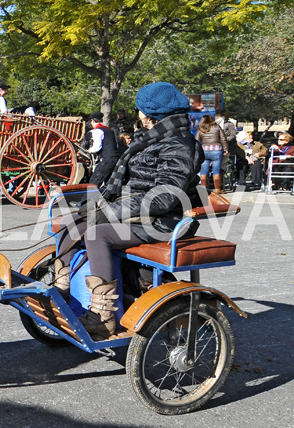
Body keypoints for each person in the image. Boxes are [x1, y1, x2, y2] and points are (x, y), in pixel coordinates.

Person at [52, 81, 204, 338]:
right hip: (141, 215)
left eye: (139, 109)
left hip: (164, 222)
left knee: (96, 233)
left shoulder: (180, 145)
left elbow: (162, 199)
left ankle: (103, 315)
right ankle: (61, 290)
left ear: (148, 114)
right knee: (75, 220)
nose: (137, 114)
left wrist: (109, 212)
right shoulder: (152, 139)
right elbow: (132, 187)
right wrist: (100, 203)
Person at [194, 114, 228, 194]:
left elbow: (197, 141)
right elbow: (223, 138)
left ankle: (203, 189)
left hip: (205, 150)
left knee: (203, 171)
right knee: (216, 170)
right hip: (216, 150)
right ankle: (217, 189)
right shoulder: (217, 127)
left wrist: (197, 151)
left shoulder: (200, 128)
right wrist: (226, 148)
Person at [85, 112, 119, 187]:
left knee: (94, 181)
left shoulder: (97, 131)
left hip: (107, 160)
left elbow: (97, 147)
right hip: (115, 159)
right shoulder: (109, 130)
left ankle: (89, 198)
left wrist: (90, 150)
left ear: (93, 121)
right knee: (108, 182)